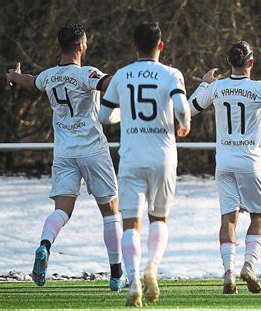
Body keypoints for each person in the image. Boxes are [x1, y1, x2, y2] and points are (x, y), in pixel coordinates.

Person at [5, 24, 127, 291]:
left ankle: (44, 245)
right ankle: (117, 274)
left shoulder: (48, 76)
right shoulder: (87, 73)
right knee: (110, 213)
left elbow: (29, 80)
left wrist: (14, 76)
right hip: (93, 151)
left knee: (61, 210)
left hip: (64, 153)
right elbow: (109, 84)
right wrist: (134, 78)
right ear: (81, 46)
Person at [188, 42, 261, 294]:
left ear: (229, 62)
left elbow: (187, 110)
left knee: (228, 218)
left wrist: (204, 83)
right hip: (251, 163)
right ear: (251, 63)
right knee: (258, 217)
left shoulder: (217, 88)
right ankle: (249, 266)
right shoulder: (260, 88)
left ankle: (228, 271)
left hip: (225, 163)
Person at [99, 22, 191, 307]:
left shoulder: (122, 75)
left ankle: (134, 279)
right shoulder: (171, 73)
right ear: (160, 45)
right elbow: (181, 108)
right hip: (163, 158)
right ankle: (152, 267)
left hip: (132, 158)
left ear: (134, 45)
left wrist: (124, 116)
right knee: (159, 218)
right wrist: (184, 124)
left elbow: (104, 116)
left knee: (130, 223)